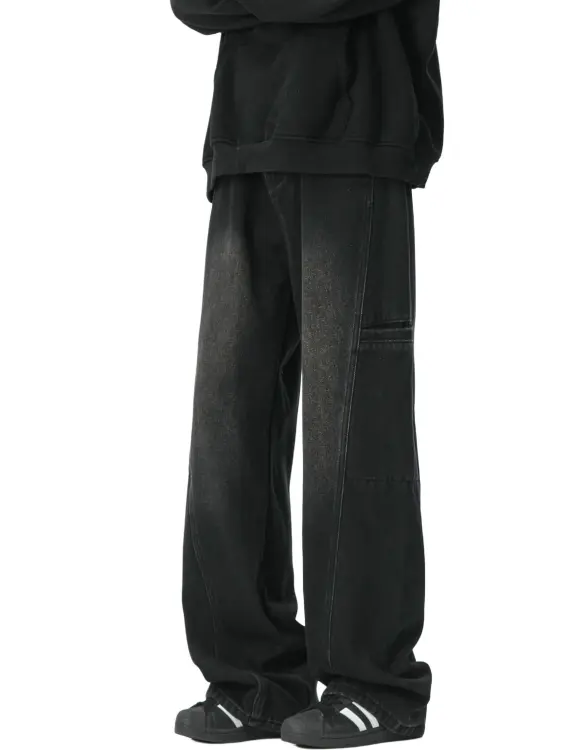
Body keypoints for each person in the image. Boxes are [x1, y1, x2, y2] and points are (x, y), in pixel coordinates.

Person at [169, 1, 443, 746]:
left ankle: (375, 685)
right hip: (243, 140)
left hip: (357, 134)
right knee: (227, 425)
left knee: (350, 425)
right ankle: (253, 679)